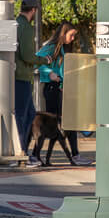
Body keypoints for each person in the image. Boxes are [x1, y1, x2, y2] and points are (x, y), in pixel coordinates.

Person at [36, 22, 90, 166]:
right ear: (63, 33)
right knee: (53, 124)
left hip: (62, 88)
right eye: (71, 35)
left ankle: (74, 155)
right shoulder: (51, 47)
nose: (73, 38)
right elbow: (37, 61)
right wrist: (50, 73)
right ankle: (40, 155)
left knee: (68, 121)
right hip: (53, 88)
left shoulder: (65, 49)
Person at [14, 0, 41, 165]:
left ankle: (23, 150)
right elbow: (28, 56)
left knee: (29, 113)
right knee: (23, 116)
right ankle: (21, 151)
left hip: (13, 75)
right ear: (33, 10)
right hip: (22, 76)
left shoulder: (15, 23)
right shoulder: (27, 28)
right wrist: (45, 60)